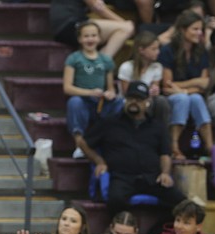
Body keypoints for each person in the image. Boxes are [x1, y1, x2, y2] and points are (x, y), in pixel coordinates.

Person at [80, 81, 187, 221]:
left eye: (139, 99)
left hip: (152, 178)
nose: (134, 102)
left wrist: (165, 173)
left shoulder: (157, 126)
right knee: (115, 200)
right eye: (130, 98)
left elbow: (165, 154)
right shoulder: (109, 123)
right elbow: (83, 142)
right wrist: (99, 161)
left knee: (183, 204)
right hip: (122, 177)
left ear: (147, 102)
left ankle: (157, 233)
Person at [159, 10, 214, 160]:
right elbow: (167, 85)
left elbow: (204, 84)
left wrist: (183, 88)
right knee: (183, 99)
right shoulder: (167, 50)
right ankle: (174, 145)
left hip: (190, 95)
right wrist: (193, 84)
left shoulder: (201, 51)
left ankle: (210, 146)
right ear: (183, 30)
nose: (199, 33)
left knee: (196, 98)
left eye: (201, 29)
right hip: (171, 97)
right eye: (195, 29)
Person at [64, 21, 123, 158]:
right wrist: (89, 92)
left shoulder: (106, 60)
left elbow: (110, 88)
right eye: (86, 36)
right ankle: (80, 144)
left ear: (99, 38)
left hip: (101, 102)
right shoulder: (74, 59)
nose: (90, 39)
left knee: (120, 103)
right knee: (74, 102)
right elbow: (67, 87)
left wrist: (109, 93)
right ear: (80, 39)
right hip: (84, 100)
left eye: (93, 35)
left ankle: (113, 142)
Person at [49, 0, 134, 60]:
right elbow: (97, 7)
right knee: (127, 28)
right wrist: (123, 23)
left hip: (71, 22)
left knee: (123, 29)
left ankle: (100, 61)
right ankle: (100, 63)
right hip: (69, 24)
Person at [116, 30, 169, 125]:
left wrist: (155, 90)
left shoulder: (157, 67)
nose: (158, 52)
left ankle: (161, 131)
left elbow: (154, 89)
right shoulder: (127, 67)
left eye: (158, 48)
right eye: (154, 49)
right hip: (128, 100)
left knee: (161, 101)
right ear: (141, 50)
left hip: (147, 100)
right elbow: (126, 92)